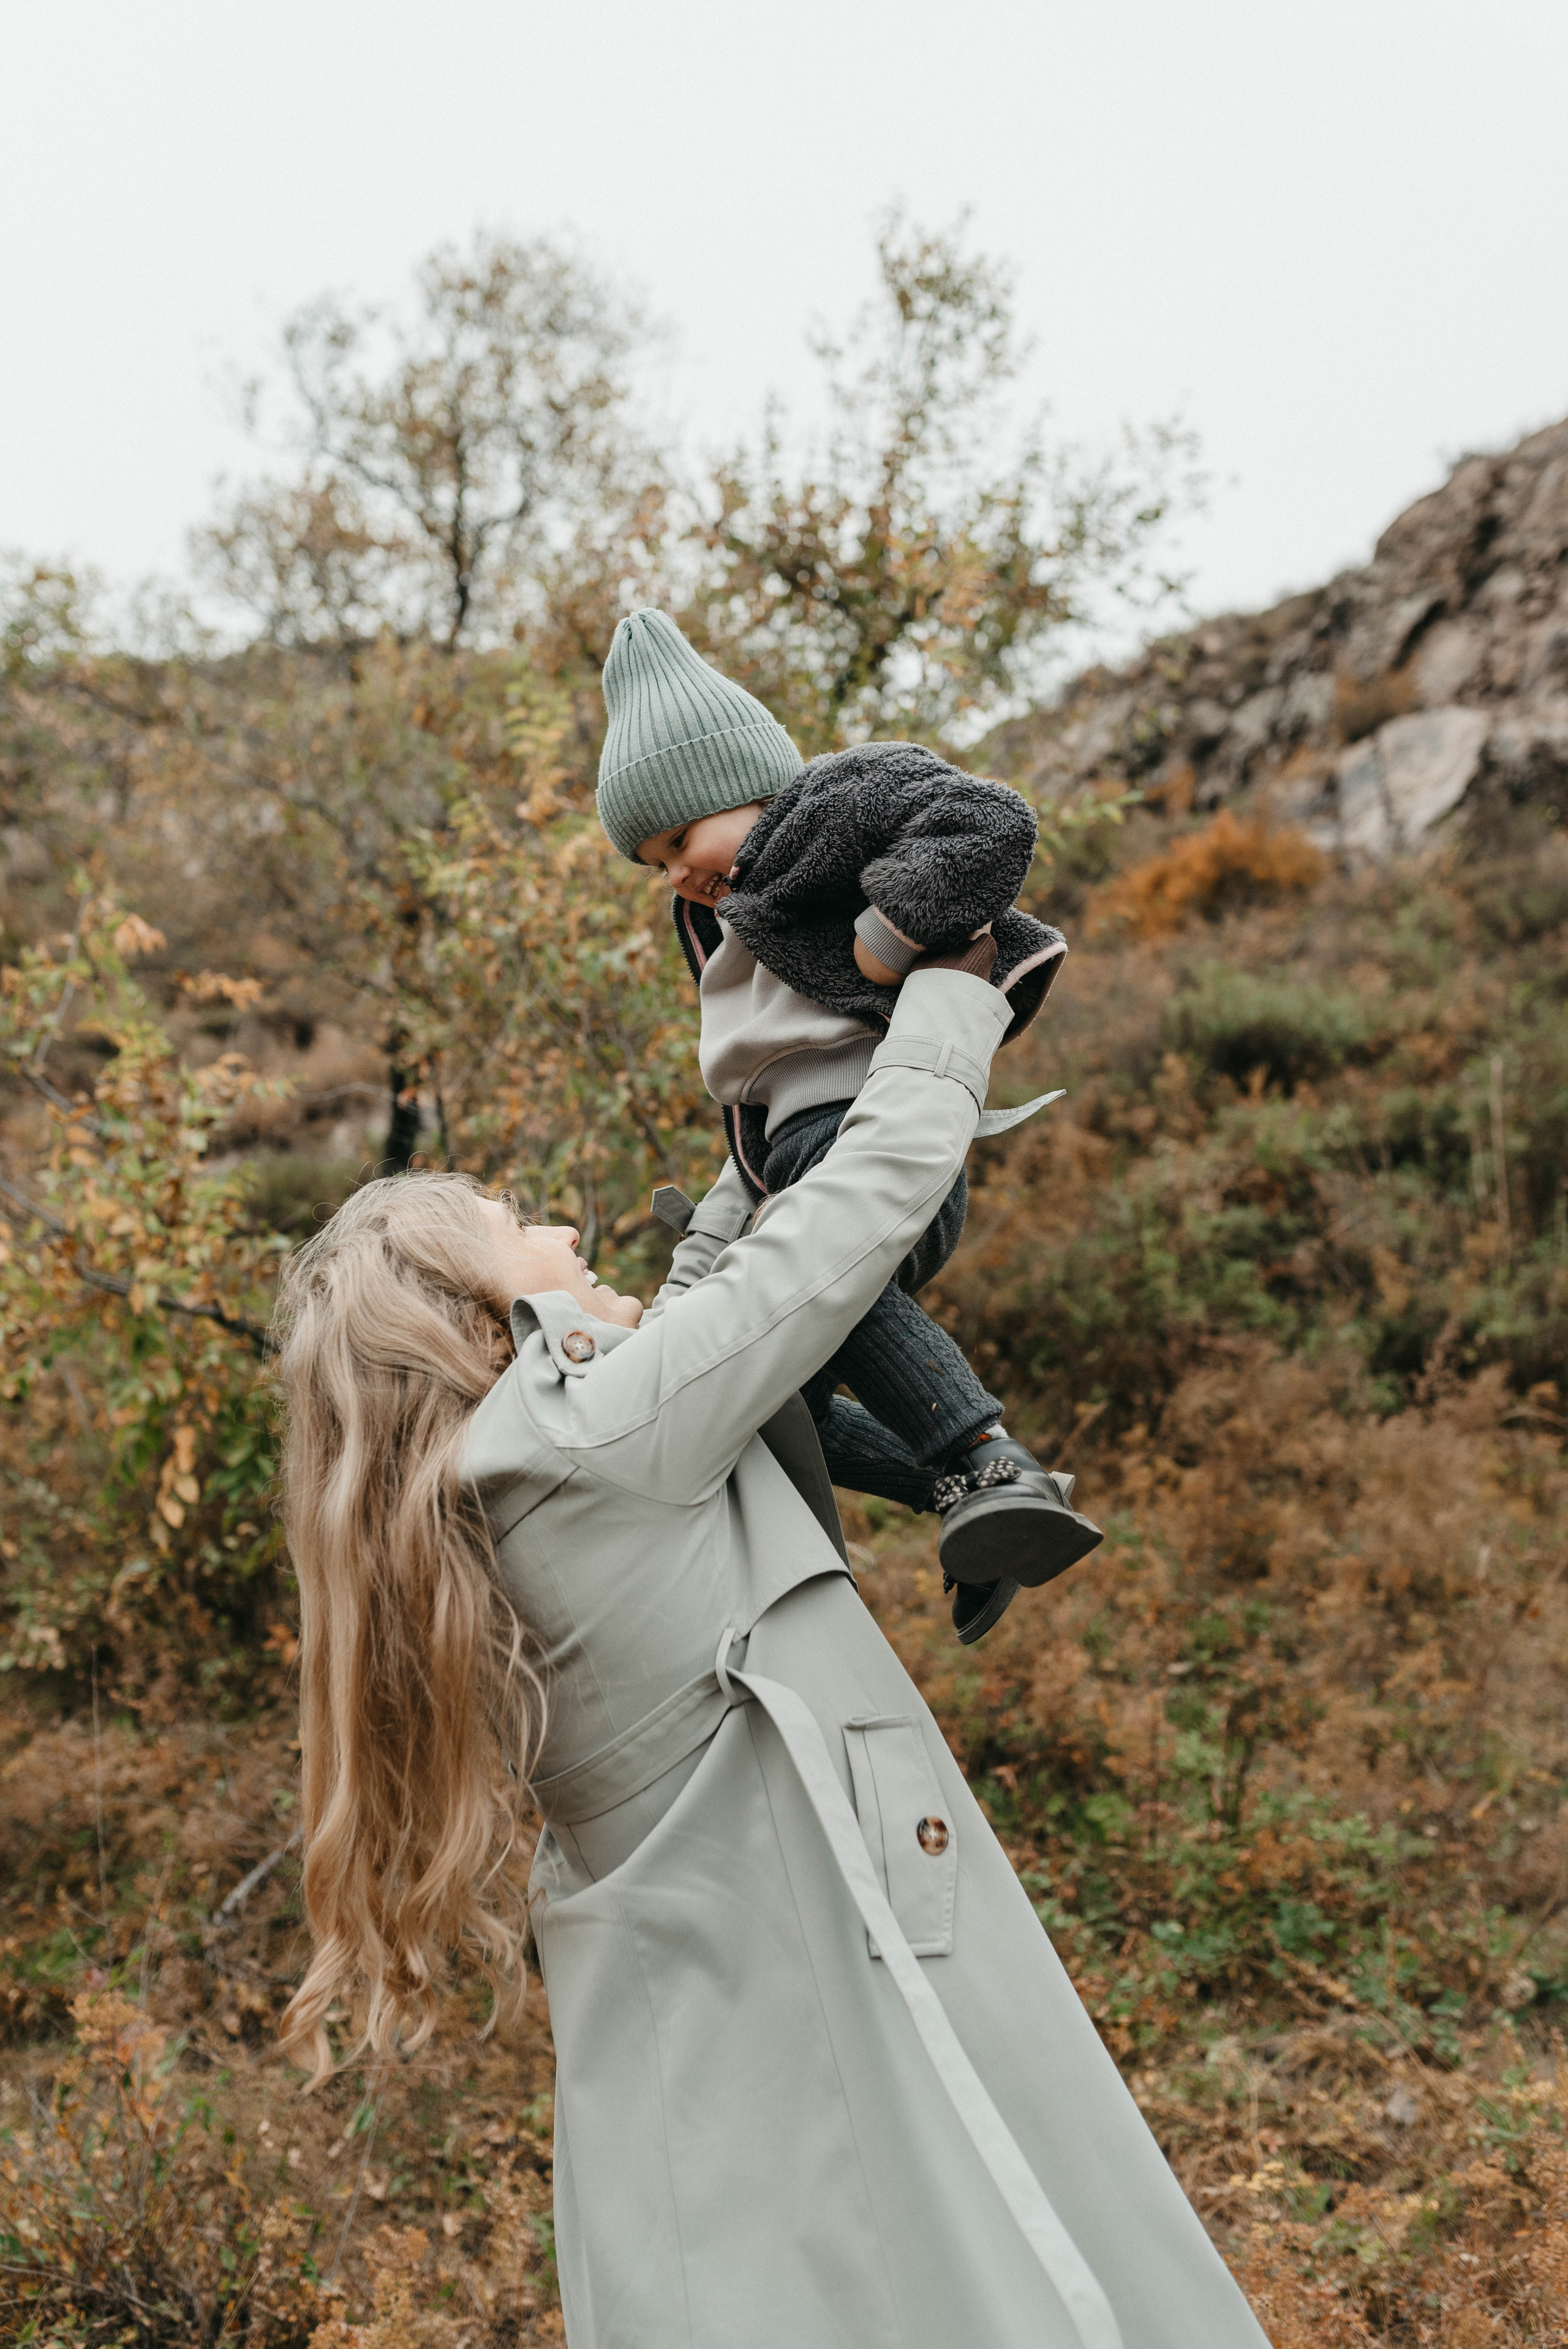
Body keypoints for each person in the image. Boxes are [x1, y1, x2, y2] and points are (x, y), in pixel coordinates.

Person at [274, 953, 1268, 2349]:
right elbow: (847, 1226)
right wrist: (952, 989)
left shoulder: (506, 1483)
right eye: (513, 1222)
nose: (560, 1224)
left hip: (714, 2030)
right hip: (831, 1970)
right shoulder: (591, 1440)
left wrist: (764, 1115)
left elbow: (708, 1302)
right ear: (471, 1312)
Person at [595, 607, 1102, 1646]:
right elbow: (752, 1119)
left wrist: (890, 929)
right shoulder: (726, 919)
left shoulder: (833, 801)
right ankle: (976, 1495)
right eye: (655, 864)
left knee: (821, 1284)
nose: (677, 875)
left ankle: (985, 1454)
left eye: (681, 840)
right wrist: (697, 1268)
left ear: (743, 785)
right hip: (796, 1163)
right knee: (766, 1402)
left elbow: (992, 820)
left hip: (871, 1132)